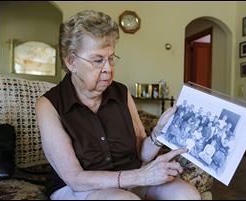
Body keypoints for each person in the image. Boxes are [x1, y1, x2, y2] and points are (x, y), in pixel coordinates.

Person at [35, 10, 200, 200]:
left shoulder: (121, 93)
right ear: (71, 61)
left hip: (130, 177)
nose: (108, 69)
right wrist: (141, 176)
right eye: (98, 60)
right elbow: (75, 178)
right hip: (79, 188)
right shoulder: (49, 105)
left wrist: (159, 132)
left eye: (111, 58)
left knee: (187, 195)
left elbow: (141, 155)